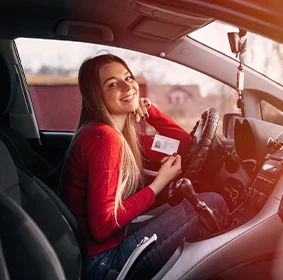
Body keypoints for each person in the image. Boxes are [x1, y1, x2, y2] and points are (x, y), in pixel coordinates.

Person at [63, 54, 229, 280]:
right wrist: (159, 183)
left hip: (106, 247)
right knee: (214, 203)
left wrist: (151, 113)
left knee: (195, 202)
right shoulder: (104, 137)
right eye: (112, 84)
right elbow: (102, 226)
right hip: (104, 263)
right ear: (97, 96)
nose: (127, 86)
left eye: (128, 77)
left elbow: (183, 145)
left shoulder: (122, 135)